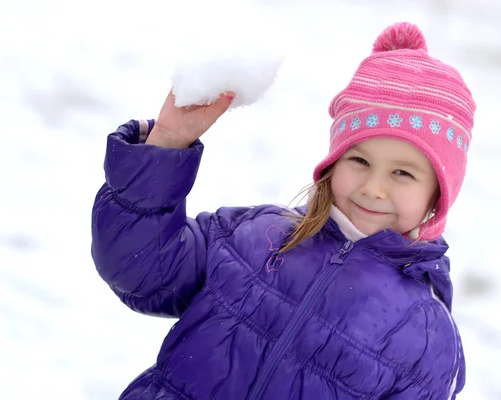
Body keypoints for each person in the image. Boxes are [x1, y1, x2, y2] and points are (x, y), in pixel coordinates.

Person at [92, 21, 475, 400]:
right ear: (333, 161)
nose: (373, 188)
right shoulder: (255, 237)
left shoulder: (426, 339)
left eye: (403, 173)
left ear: (438, 193)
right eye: (359, 160)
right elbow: (139, 268)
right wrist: (167, 144)